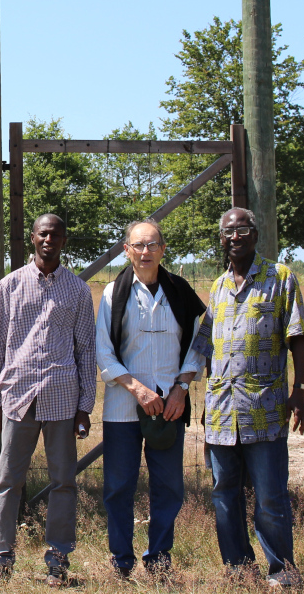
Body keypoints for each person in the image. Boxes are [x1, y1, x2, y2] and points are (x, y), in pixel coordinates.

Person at [189, 207, 304, 588]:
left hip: (265, 409)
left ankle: (282, 573)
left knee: (271, 496)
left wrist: (299, 390)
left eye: (242, 230)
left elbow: (298, 337)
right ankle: (238, 568)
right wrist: (207, 402)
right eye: (228, 232)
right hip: (223, 413)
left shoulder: (280, 278)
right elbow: (209, 350)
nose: (234, 237)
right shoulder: (218, 286)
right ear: (221, 240)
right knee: (224, 495)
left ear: (255, 235)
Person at [0, 214, 97, 588]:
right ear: (33, 238)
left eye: (56, 234)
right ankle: (1, 557)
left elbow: (86, 351)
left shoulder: (78, 291)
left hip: (63, 398)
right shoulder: (10, 286)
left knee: (63, 481)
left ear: (65, 241)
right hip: (18, 396)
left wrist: (85, 406)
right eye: (43, 233)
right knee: (8, 479)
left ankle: (58, 560)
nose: (49, 239)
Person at [95, 218, 206, 579]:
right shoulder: (114, 294)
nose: (145, 252)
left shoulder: (180, 291)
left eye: (152, 244)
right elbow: (104, 352)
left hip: (170, 407)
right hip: (123, 407)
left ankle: (159, 559)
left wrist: (181, 387)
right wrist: (137, 389)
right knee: (118, 487)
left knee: (169, 487)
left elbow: (196, 345)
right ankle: (121, 561)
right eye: (138, 245)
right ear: (126, 250)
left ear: (163, 249)